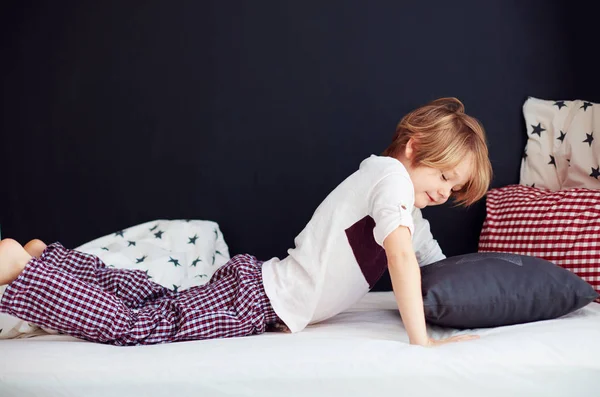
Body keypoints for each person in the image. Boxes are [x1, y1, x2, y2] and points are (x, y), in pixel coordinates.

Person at [0, 97, 492, 346]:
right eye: (444, 175)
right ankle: (24, 273)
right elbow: (402, 257)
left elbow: (435, 265)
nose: (445, 192)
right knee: (139, 328)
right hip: (259, 300)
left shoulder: (406, 207)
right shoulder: (390, 179)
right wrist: (421, 340)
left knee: (159, 301)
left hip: (256, 289)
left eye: (455, 189)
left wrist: (472, 301)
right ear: (413, 148)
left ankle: (50, 260)